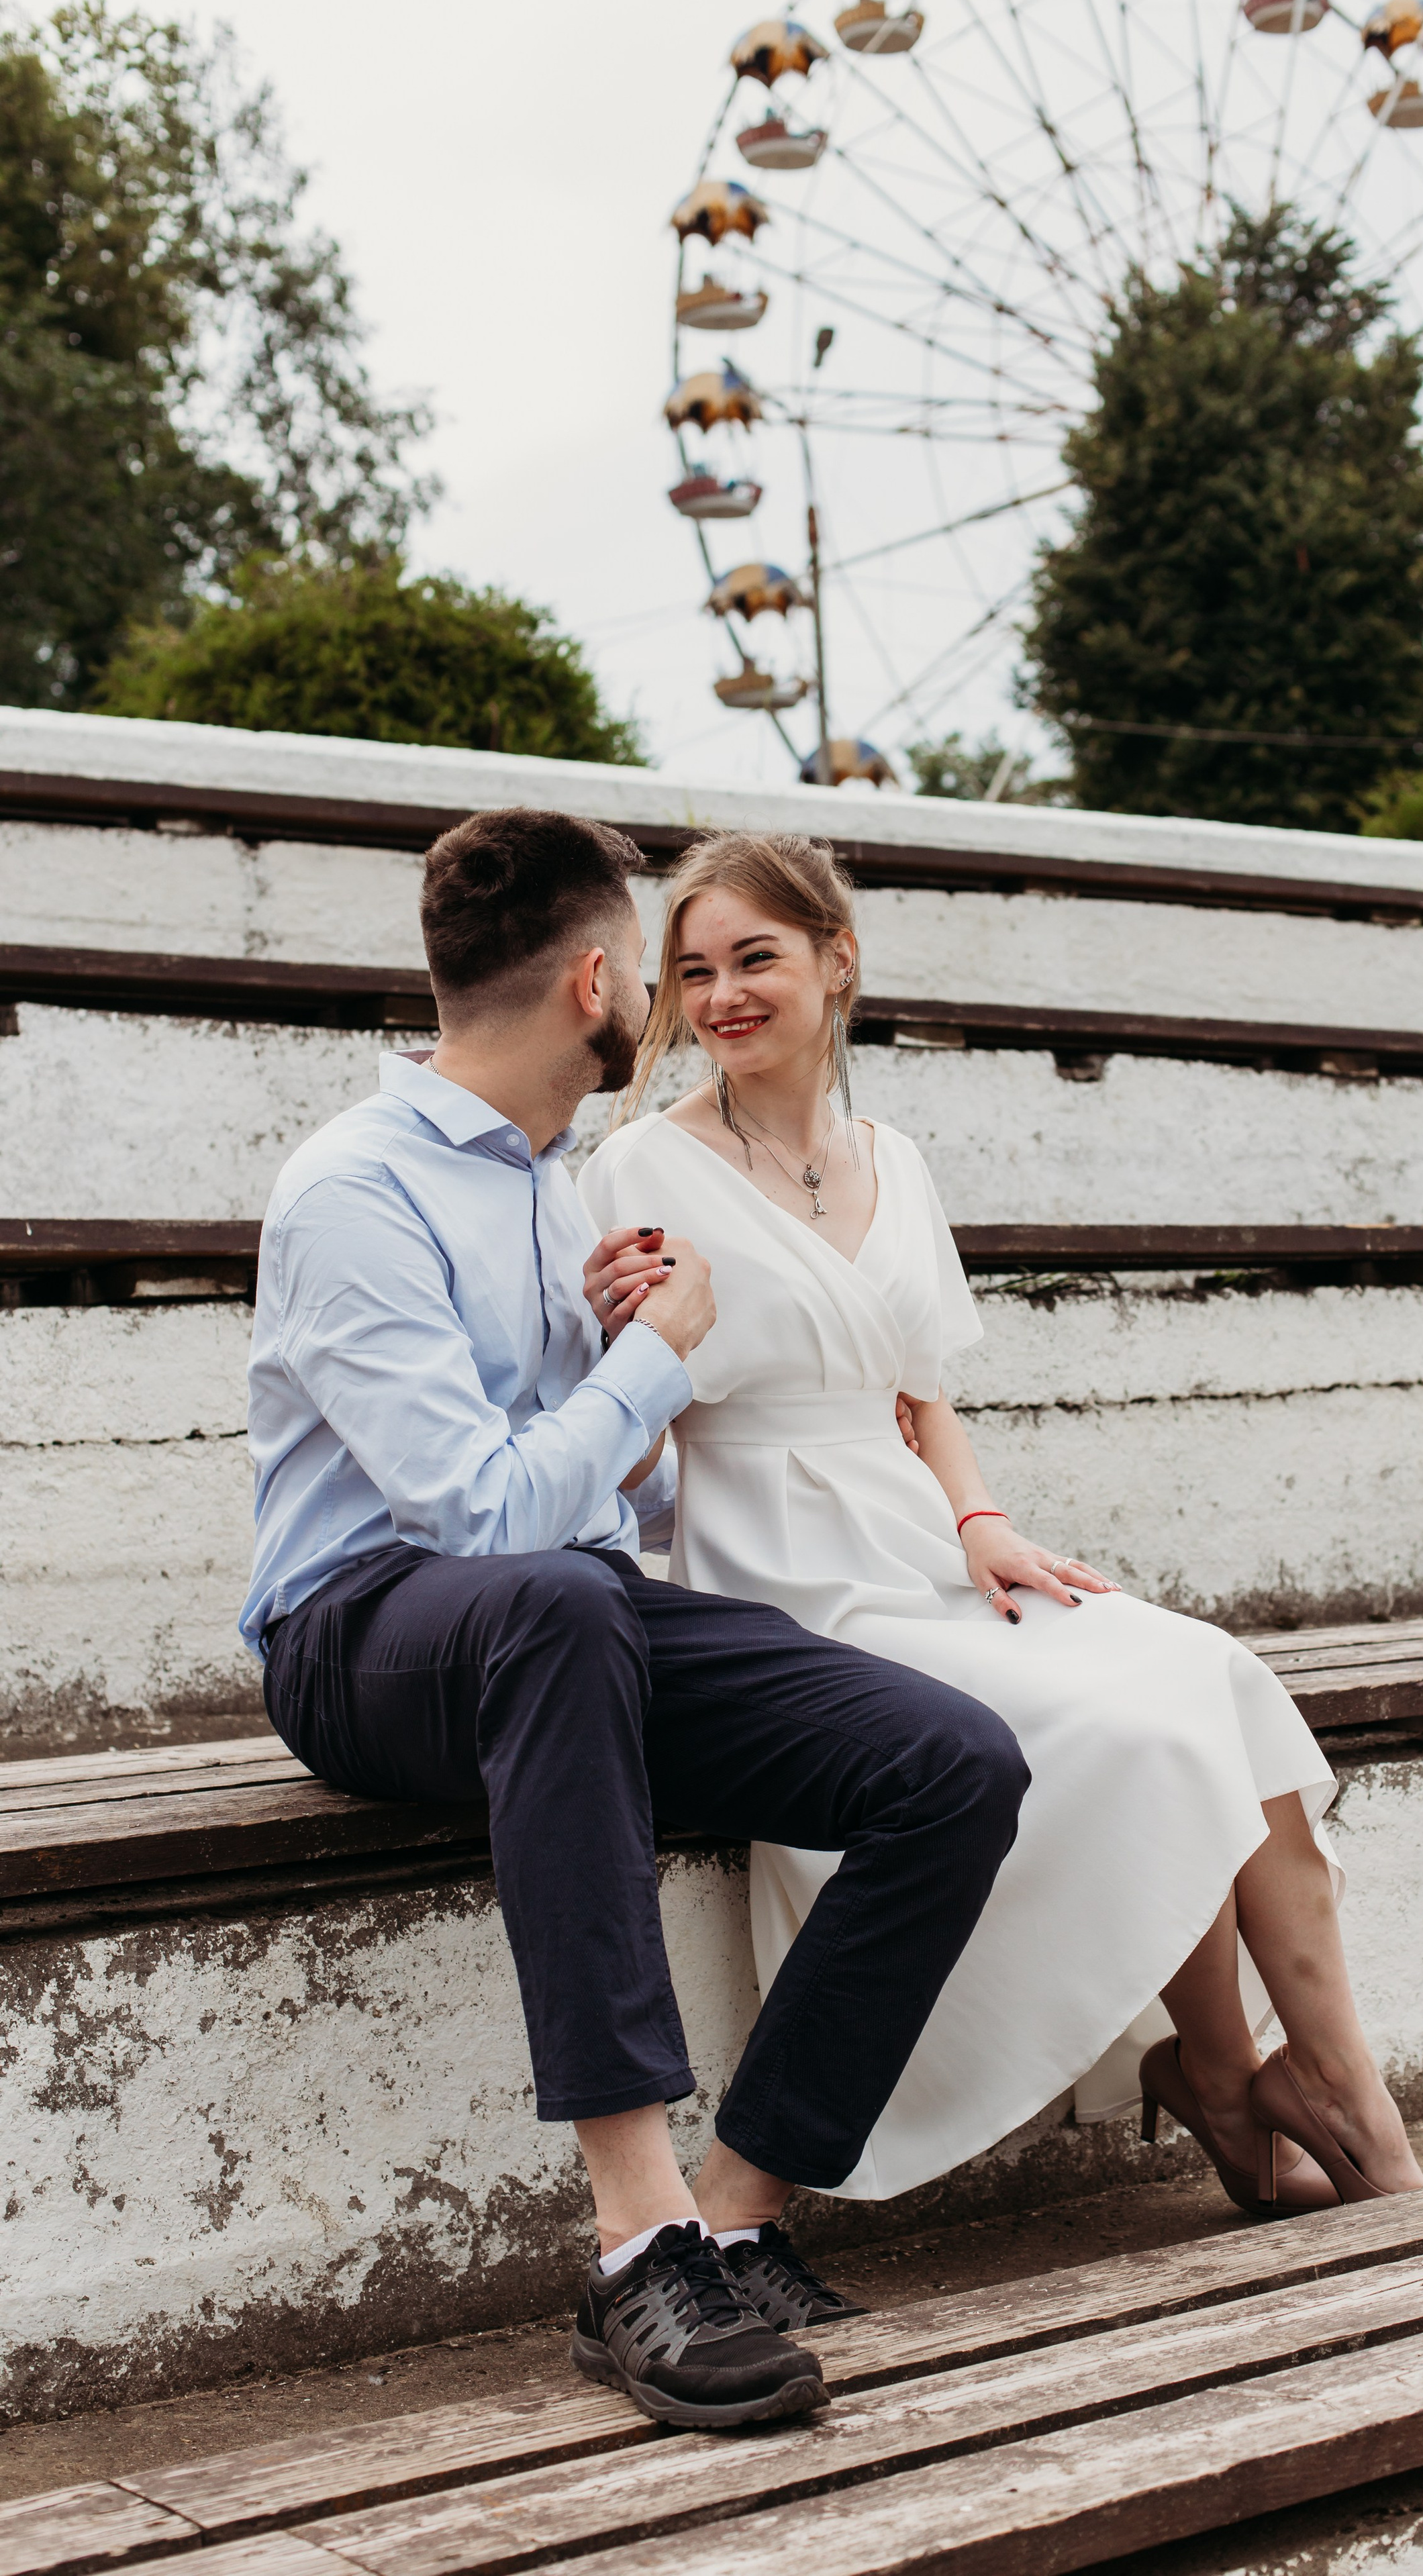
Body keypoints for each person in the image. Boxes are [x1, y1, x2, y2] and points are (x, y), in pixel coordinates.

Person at [241, 807, 1030, 2433]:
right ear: (597, 979)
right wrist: (653, 1359)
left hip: (570, 1621)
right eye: (651, 972)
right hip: (360, 1639)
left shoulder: (553, 1186)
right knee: (549, 1605)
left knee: (949, 1760)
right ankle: (634, 2241)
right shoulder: (354, 1191)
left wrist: (649, 1399)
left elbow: (613, 1507)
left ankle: (740, 2211)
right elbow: (475, 1519)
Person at [579, 830, 1423, 2217]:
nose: (723, 995)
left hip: (914, 1536)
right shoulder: (638, 1174)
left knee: (1209, 1675)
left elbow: (920, 1393)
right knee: (1140, 1728)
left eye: (755, 959)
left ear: (834, 963)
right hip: (780, 1572)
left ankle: (1329, 2086)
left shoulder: (892, 1160)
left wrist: (978, 1521)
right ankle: (1229, 2080)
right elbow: (634, 1448)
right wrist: (618, 1355)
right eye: (694, 972)